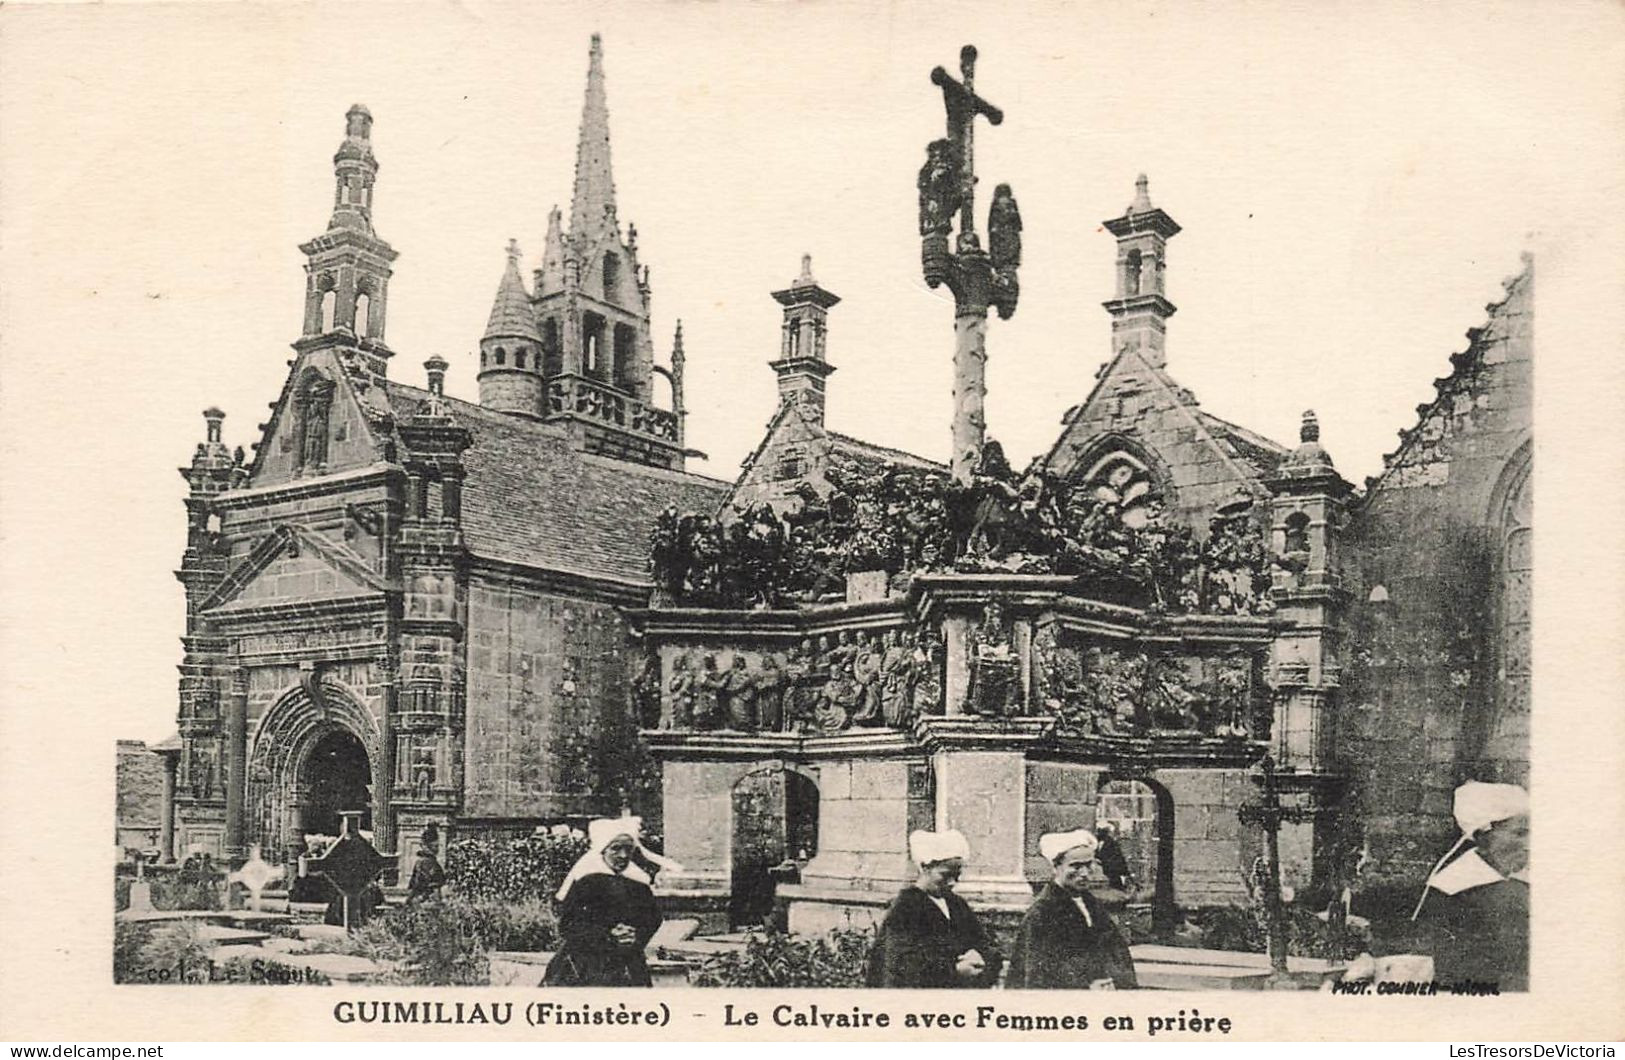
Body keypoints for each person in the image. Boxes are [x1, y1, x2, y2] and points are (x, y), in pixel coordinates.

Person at [1410, 781, 1529, 991]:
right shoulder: (1460, 889)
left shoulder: (1516, 883)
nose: (1529, 843)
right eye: (1519, 833)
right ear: (1483, 835)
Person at [866, 829, 1002, 988]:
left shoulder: (957, 905)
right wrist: (953, 970)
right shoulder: (906, 908)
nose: (952, 882)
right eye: (945, 875)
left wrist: (981, 955)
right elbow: (901, 965)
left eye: (957, 876)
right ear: (925, 867)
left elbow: (985, 943)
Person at [1007, 828, 1138, 990]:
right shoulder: (1043, 912)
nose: (1084, 873)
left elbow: (1117, 952)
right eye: (1075, 866)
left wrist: (1116, 981)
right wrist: (1085, 987)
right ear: (1056, 867)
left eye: (1089, 865)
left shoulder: (1093, 906)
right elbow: (1039, 973)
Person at [546, 817, 665, 987]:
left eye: (628, 849)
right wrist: (608, 936)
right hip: (587, 963)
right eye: (616, 849)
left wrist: (635, 935)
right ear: (602, 850)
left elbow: (653, 918)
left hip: (628, 962)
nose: (623, 855)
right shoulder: (586, 881)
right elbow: (568, 925)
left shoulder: (639, 883)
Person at [1094, 822, 1135, 892]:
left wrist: (1125, 873)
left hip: (1111, 874)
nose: (1098, 833)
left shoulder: (1112, 843)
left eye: (1101, 831)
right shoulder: (1095, 843)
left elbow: (1118, 859)